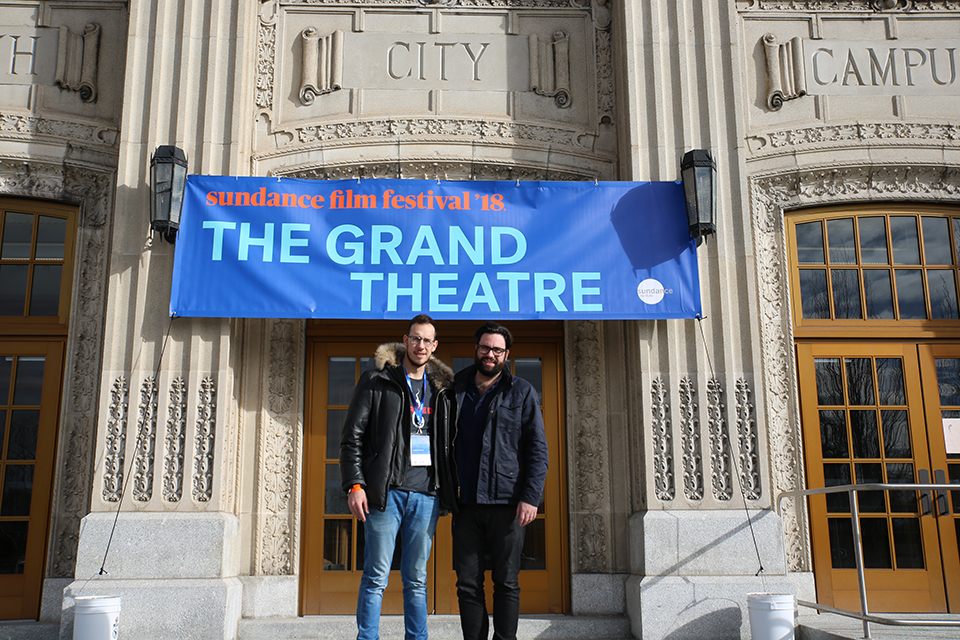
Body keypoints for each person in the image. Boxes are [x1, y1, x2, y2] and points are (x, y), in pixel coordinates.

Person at [340, 314, 458, 640]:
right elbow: (352, 438)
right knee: (376, 576)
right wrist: (355, 484)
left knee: (416, 578)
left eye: (427, 341)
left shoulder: (443, 391)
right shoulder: (377, 381)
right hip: (386, 494)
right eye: (415, 339)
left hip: (426, 496)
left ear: (434, 347)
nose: (421, 346)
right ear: (405, 341)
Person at [452, 321, 549, 640]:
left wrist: (531, 497)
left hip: (508, 505)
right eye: (484, 347)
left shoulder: (522, 391)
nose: (490, 354)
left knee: (507, 582)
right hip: (465, 505)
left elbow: (537, 450)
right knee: (467, 583)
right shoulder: (455, 388)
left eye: (497, 349)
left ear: (507, 354)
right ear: (476, 349)